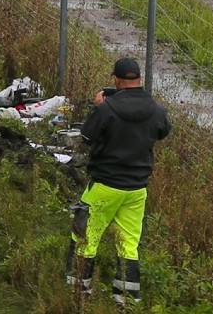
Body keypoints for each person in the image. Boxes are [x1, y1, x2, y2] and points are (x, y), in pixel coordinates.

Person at [65, 57, 172, 307]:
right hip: (136, 190)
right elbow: (163, 131)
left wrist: (99, 106)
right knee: (128, 245)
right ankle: (125, 302)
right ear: (139, 81)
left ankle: (78, 296)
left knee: (85, 238)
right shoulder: (156, 109)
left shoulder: (107, 108)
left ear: (116, 79)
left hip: (105, 185)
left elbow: (86, 136)